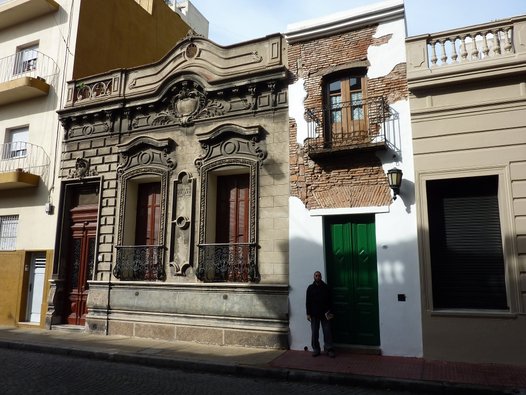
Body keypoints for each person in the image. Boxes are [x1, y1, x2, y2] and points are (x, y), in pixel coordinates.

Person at [306, 271, 335, 358]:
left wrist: (331, 312)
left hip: (325, 314)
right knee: (314, 332)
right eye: (316, 276)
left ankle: (329, 349)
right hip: (314, 314)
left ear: (321, 277)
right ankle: (316, 349)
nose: (318, 277)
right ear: (314, 277)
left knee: (327, 332)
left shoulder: (326, 287)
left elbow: (330, 300)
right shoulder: (310, 288)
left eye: (319, 276)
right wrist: (308, 313)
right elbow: (308, 302)